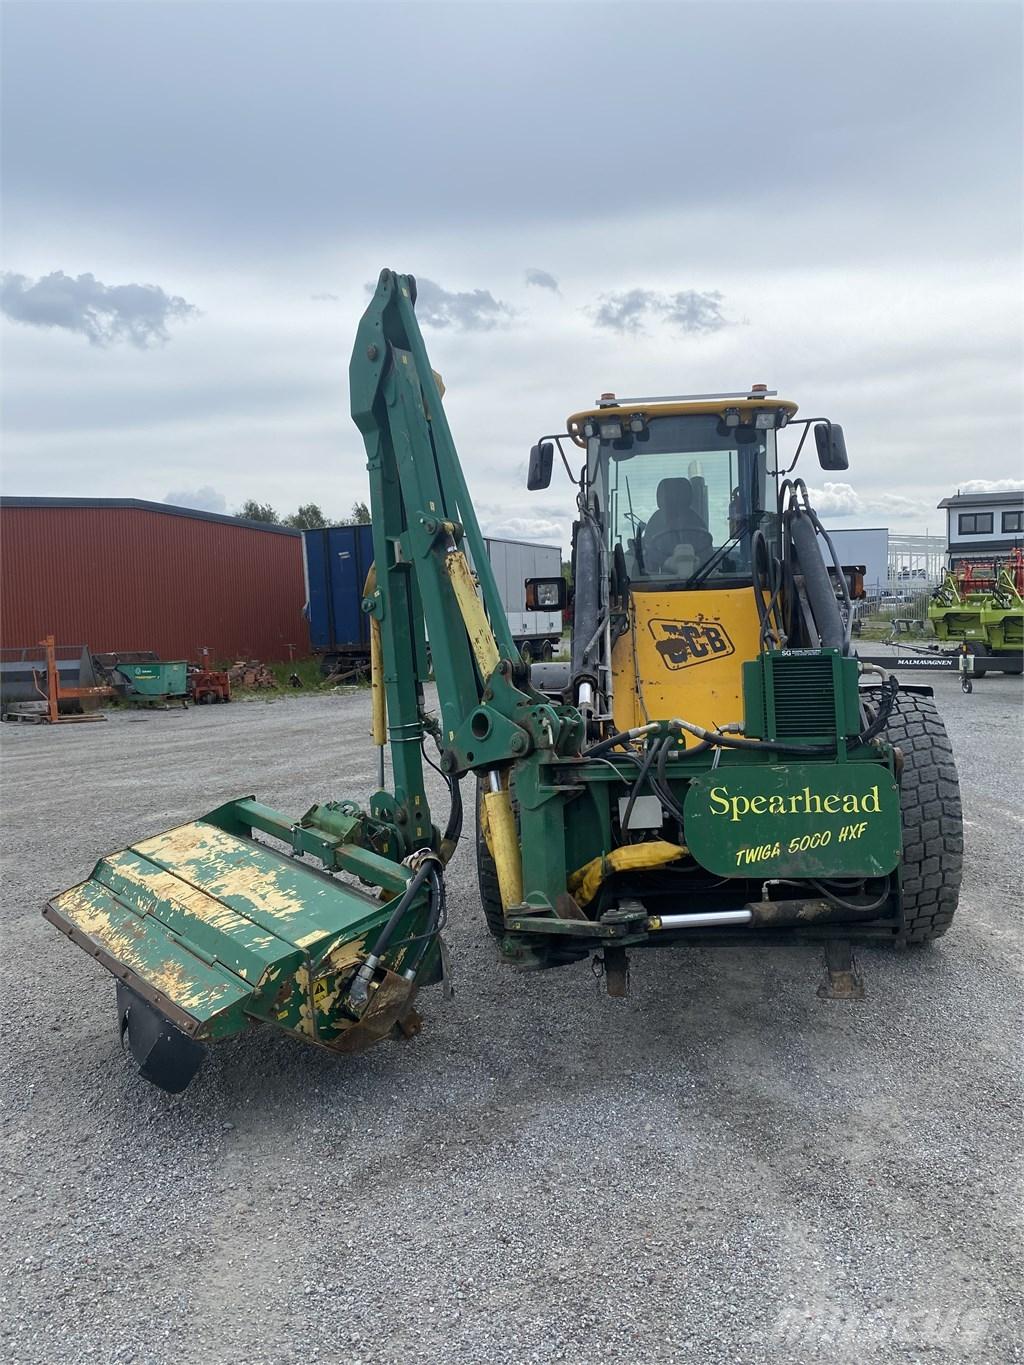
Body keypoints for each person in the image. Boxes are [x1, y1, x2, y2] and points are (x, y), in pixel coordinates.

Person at [643, 477, 713, 573]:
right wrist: (664, 561)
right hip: (661, 578)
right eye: (670, 495)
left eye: (678, 495)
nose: (674, 498)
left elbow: (707, 551)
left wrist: (698, 561)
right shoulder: (655, 522)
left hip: (697, 577)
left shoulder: (695, 520)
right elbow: (648, 550)